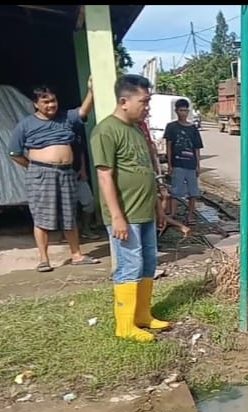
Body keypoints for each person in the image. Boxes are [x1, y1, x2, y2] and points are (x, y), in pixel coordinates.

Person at [90, 74, 170, 343]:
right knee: (129, 266)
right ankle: (125, 325)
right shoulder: (106, 131)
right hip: (126, 215)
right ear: (124, 101)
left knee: (148, 263)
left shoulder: (136, 129)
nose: (147, 107)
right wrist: (117, 217)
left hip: (145, 211)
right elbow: (104, 176)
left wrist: (159, 206)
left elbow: (146, 171)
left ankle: (143, 315)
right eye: (144, 101)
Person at [8, 81, 100, 272]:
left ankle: (76, 255)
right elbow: (14, 153)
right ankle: (44, 259)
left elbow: (84, 111)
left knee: (69, 215)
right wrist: (34, 167)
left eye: (53, 100)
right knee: (41, 217)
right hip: (40, 174)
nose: (51, 105)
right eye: (46, 102)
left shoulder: (66, 117)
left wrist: (91, 91)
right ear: (36, 104)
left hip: (66, 173)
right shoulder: (26, 124)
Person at [164, 98, 204, 224]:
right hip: (178, 164)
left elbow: (196, 148)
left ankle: (190, 216)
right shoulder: (171, 127)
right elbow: (169, 146)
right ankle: (173, 215)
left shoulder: (193, 128)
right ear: (176, 111)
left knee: (193, 192)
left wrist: (198, 165)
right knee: (176, 191)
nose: (183, 113)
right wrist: (170, 165)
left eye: (186, 111)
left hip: (191, 164)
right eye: (181, 110)